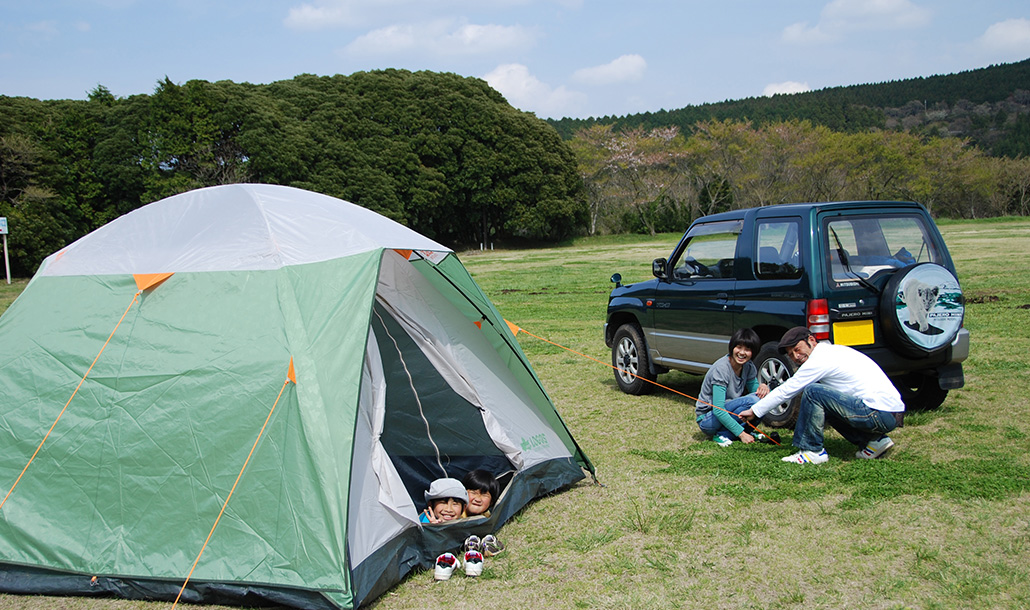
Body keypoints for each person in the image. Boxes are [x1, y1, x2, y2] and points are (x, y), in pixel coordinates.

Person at [740, 326, 904, 464]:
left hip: (877, 413)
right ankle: (874, 442)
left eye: (797, 349)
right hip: (889, 413)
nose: (796, 357)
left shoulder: (819, 360)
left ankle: (812, 450)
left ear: (811, 340)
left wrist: (755, 411)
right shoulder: (831, 351)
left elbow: (787, 389)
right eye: (791, 354)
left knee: (813, 391)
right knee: (825, 402)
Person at [696, 328, 770, 446]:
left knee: (764, 399)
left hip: (729, 411)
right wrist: (741, 434)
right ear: (732, 348)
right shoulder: (722, 368)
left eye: (747, 349)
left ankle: (738, 433)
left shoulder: (748, 366)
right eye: (739, 347)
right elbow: (718, 409)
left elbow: (756, 392)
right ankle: (728, 434)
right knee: (753, 400)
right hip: (708, 420)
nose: (742, 353)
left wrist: (763, 387)